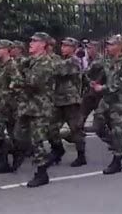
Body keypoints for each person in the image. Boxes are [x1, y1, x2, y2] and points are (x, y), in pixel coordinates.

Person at [13, 32, 55, 187]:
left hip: (40, 108)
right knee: (18, 135)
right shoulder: (32, 61)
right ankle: (41, 158)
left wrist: (17, 76)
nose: (30, 43)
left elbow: (32, 82)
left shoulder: (45, 63)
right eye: (31, 41)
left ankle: (42, 172)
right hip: (27, 107)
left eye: (35, 41)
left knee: (36, 140)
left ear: (43, 45)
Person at [91, 35, 122, 174]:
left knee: (117, 130)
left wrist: (103, 88)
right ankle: (120, 145)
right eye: (107, 44)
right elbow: (102, 74)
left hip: (119, 101)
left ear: (119, 46)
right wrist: (96, 82)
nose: (107, 47)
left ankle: (117, 161)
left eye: (111, 44)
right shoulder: (107, 60)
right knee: (97, 125)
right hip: (107, 100)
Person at [50, 37, 86, 167]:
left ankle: (81, 156)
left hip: (71, 101)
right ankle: (58, 150)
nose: (63, 48)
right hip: (59, 100)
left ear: (73, 49)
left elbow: (57, 71)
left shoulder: (73, 61)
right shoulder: (63, 60)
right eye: (62, 45)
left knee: (75, 129)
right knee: (51, 127)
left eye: (66, 46)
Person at [0, 39, 22, 174]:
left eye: (0, 48)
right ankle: (5, 160)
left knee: (9, 134)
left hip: (9, 106)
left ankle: (15, 155)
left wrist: (9, 92)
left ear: (7, 50)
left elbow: (18, 82)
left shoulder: (11, 65)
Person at [79, 40, 106, 133]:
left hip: (98, 95)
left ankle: (113, 139)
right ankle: (78, 137)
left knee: (101, 120)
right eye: (87, 48)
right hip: (88, 94)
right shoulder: (87, 60)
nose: (88, 50)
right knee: (81, 117)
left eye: (90, 48)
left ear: (95, 49)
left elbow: (86, 72)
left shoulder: (100, 60)